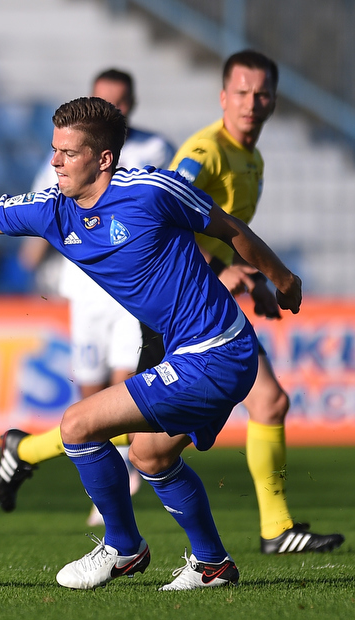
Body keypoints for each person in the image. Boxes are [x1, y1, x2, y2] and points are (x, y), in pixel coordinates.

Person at [0, 96, 303, 591]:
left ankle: (124, 547)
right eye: (54, 150)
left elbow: (229, 228)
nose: (54, 161)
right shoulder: (51, 209)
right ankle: (212, 564)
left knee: (79, 424)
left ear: (104, 159)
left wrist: (283, 280)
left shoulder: (153, 190)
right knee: (151, 457)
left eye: (68, 153)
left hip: (218, 349)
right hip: (188, 350)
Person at [139, 50, 343, 555]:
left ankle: (277, 529)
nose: (253, 103)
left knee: (262, 403)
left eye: (262, 94)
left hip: (207, 304)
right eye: (243, 93)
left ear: (274, 100)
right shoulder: (205, 153)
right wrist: (223, 272)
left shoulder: (252, 157)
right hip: (183, 306)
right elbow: (164, 223)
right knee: (143, 438)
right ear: (223, 97)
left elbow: (223, 237)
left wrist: (249, 279)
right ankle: (35, 447)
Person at [1, 69, 175, 526]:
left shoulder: (152, 150)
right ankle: (39, 456)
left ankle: (115, 492)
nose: (114, 106)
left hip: (129, 297)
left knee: (124, 388)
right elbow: (48, 200)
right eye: (106, 99)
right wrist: (31, 251)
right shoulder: (70, 150)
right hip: (84, 289)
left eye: (120, 100)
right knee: (91, 394)